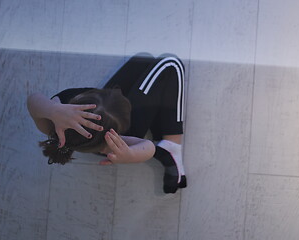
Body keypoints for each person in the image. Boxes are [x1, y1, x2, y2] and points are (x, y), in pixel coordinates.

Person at [27, 53, 187, 194]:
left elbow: (33, 101)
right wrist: (131, 155)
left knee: (143, 59)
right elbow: (148, 147)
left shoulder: (57, 113)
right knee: (170, 64)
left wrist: (52, 109)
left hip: (97, 134)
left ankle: (155, 112)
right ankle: (172, 146)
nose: (116, 92)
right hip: (126, 131)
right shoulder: (112, 143)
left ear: (84, 100)